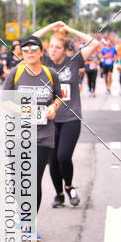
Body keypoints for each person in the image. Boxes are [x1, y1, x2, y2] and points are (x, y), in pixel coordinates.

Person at [2, 36, 62, 234]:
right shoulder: (16, 73)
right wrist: (21, 110)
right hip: (18, 136)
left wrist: (53, 107)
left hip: (43, 136)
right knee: (17, 182)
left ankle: (29, 222)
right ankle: (22, 209)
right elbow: (5, 102)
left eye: (34, 48)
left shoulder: (50, 73)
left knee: (33, 180)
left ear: (41, 52)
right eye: (26, 49)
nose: (30, 52)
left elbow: (58, 97)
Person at [43, 25, 96, 207]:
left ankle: (69, 186)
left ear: (65, 50)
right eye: (51, 46)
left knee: (63, 156)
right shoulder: (43, 62)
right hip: (49, 119)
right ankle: (59, 195)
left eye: (57, 48)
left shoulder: (74, 61)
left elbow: (94, 43)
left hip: (71, 118)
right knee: (52, 160)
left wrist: (70, 29)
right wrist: (51, 27)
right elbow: (29, 40)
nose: (53, 51)